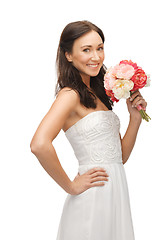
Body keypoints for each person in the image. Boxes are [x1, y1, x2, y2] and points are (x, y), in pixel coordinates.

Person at [30, 20, 147, 240]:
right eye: (86, 50)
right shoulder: (70, 95)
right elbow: (39, 144)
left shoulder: (97, 93)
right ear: (68, 55)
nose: (96, 57)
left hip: (115, 194)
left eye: (100, 48)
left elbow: (118, 157)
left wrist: (135, 119)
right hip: (92, 198)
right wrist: (71, 186)